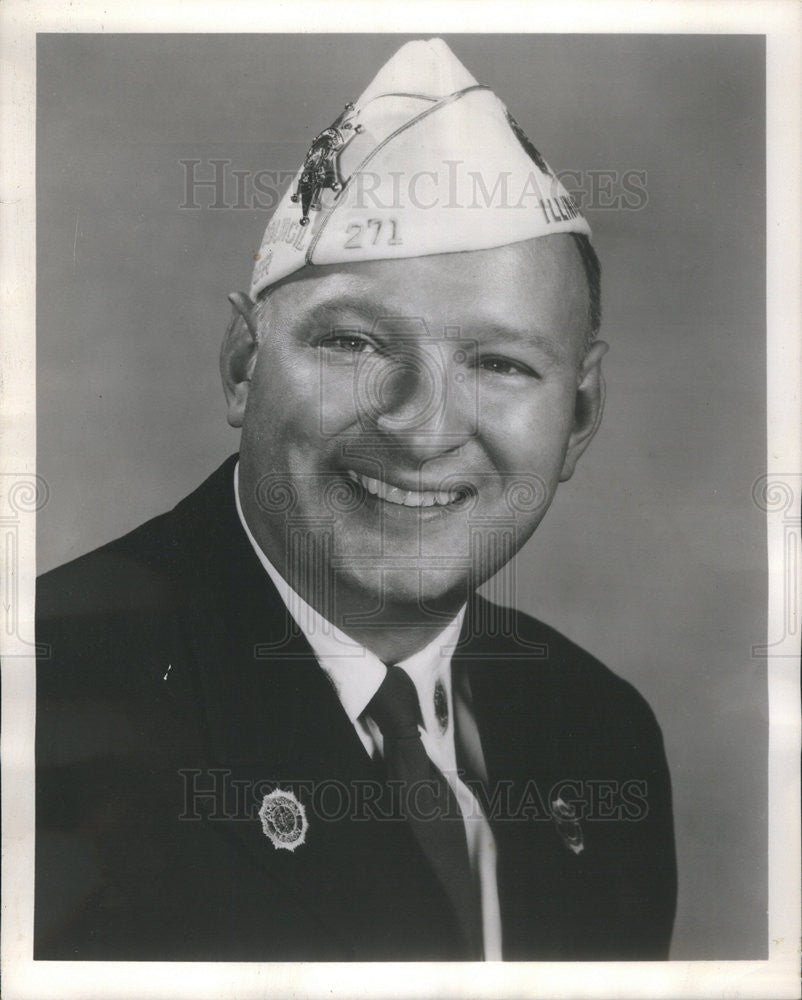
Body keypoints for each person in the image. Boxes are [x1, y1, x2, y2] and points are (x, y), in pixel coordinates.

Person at [35, 38, 676, 962]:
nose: (421, 428)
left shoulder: (598, 731)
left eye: (499, 363)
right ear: (243, 365)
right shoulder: (45, 701)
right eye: (355, 344)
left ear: (578, 416)